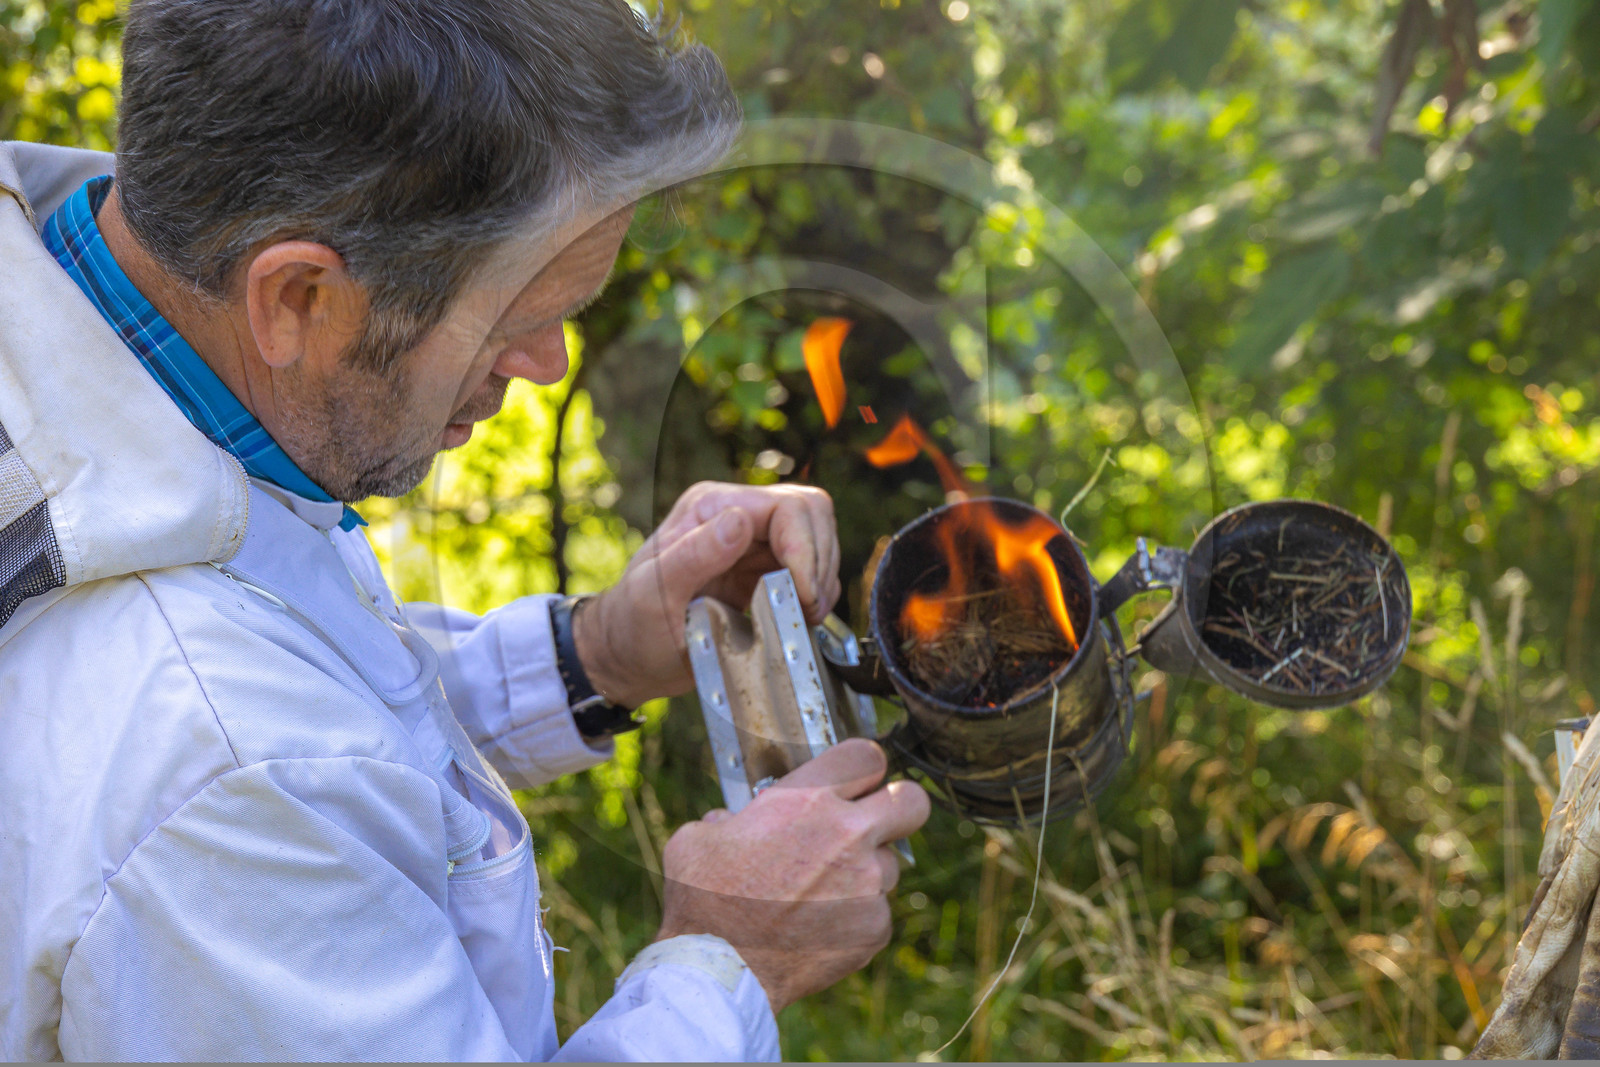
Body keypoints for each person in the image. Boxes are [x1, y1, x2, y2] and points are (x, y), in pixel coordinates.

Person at [0, 0, 930, 1059]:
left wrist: (593, 654)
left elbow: (300, 668)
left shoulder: (118, 356)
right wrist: (731, 960)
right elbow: (266, 748)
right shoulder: (223, 769)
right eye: (515, 317)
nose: (549, 364)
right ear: (298, 293)